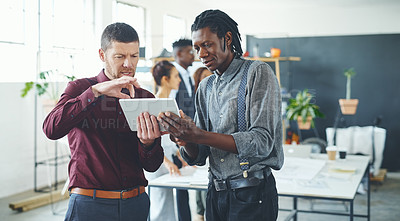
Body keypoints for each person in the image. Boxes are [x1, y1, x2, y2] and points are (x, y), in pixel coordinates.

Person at [158, 9, 284, 221]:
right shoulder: (206, 86)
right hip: (215, 194)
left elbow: (262, 141)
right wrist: (185, 138)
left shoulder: (257, 73)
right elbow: (199, 155)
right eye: (197, 48)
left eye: (207, 44)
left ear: (227, 38)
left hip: (251, 195)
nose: (201, 54)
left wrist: (198, 135)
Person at [42, 22, 164, 221]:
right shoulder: (79, 88)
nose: (128, 64)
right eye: (120, 56)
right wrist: (95, 92)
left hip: (136, 204)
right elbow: (50, 129)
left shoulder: (146, 98)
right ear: (102, 55)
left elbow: (152, 165)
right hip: (90, 206)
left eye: (134, 56)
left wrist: (148, 144)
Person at [145, 60, 183, 221]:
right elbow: (152, 139)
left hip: (167, 161)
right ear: (165, 79)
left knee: (167, 202)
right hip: (156, 163)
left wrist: (180, 154)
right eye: (176, 76)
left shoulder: (170, 103)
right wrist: (166, 161)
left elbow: (168, 137)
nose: (179, 79)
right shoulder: (154, 103)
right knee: (158, 204)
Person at [168, 38, 195, 221]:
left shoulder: (187, 74)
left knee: (184, 187)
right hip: (177, 139)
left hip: (189, 135)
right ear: (179, 54)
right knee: (180, 188)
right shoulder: (173, 77)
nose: (194, 54)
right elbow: (170, 110)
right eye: (190, 51)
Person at [192, 67, 212, 221]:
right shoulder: (196, 99)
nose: (209, 79)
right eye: (205, 77)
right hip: (200, 152)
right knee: (201, 194)